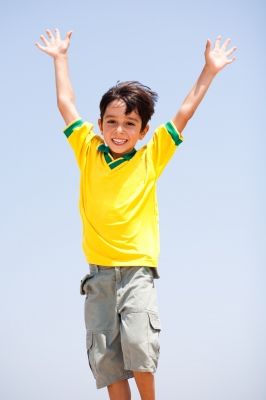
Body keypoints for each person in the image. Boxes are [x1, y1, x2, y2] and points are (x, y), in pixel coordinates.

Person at [35, 29, 236, 400]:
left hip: (137, 273)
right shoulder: (87, 150)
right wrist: (60, 58)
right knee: (107, 360)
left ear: (143, 131)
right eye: (111, 121)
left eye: (130, 124)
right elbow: (66, 103)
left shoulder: (151, 156)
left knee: (140, 351)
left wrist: (209, 70)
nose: (119, 130)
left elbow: (184, 112)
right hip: (98, 277)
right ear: (100, 126)